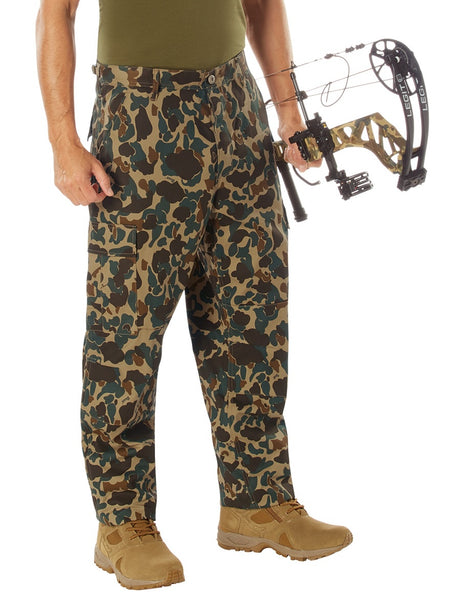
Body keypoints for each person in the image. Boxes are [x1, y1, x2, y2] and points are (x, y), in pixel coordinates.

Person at [36, 0, 352, 590]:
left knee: (252, 314)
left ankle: (258, 500)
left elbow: (262, 4)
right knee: (126, 331)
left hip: (236, 106)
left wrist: (288, 113)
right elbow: (57, 12)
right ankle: (123, 523)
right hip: (140, 115)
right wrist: (63, 141)